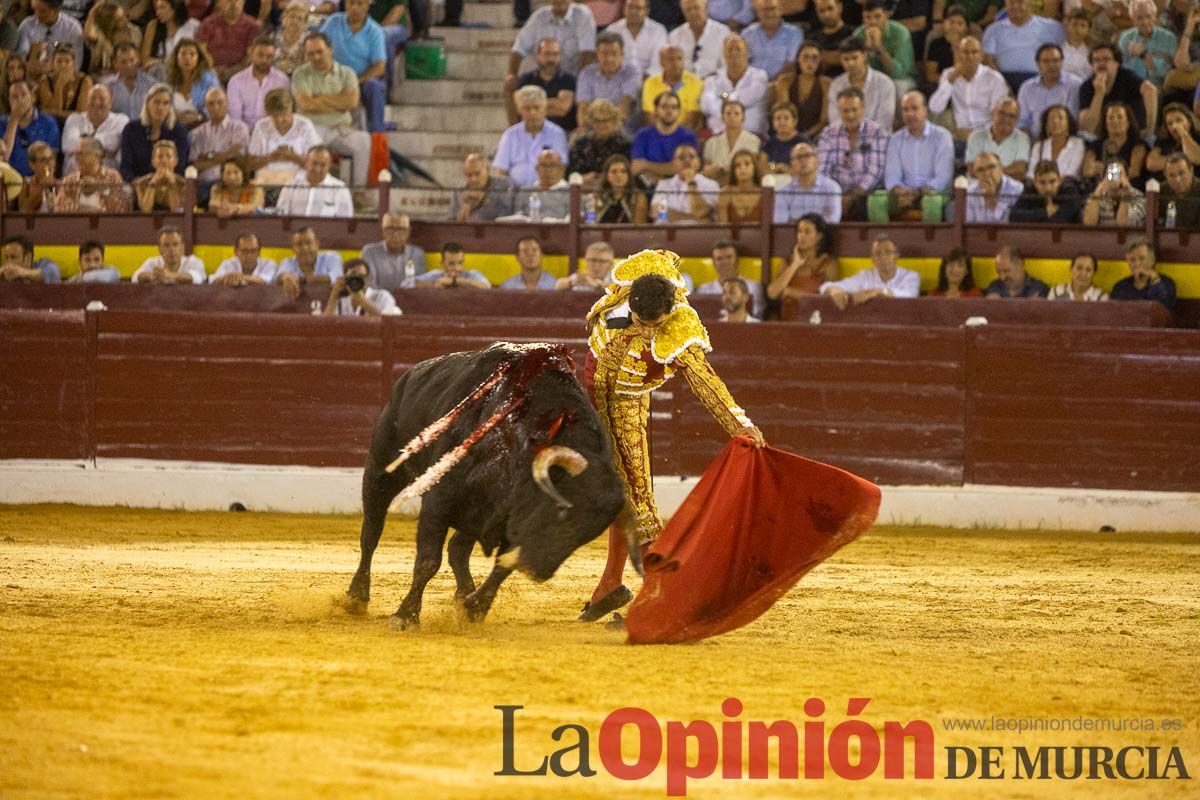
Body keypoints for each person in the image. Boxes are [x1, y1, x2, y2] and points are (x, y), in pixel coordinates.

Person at [578, 249, 765, 623]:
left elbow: (706, 383)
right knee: (620, 496)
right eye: (640, 321)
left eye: (654, 324)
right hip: (587, 395)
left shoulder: (680, 329)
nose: (647, 330)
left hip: (624, 406)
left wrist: (740, 425)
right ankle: (611, 585)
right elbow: (663, 256)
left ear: (668, 312)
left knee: (637, 501)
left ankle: (662, 599)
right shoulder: (638, 280)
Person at [291, 32, 372, 192]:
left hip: (339, 130)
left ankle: (358, 193)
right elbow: (306, 105)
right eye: (311, 54)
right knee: (299, 149)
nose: (316, 57)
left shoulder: (347, 73)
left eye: (320, 52)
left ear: (330, 49)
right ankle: (305, 190)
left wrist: (318, 98)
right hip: (311, 130)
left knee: (363, 141)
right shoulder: (300, 73)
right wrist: (338, 102)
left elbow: (351, 102)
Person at [878, 90, 954, 221]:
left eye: (914, 108)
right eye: (905, 110)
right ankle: (884, 241)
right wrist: (900, 191)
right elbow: (891, 177)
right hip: (903, 194)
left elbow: (943, 178)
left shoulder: (942, 136)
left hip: (933, 193)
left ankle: (930, 241)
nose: (909, 114)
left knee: (932, 203)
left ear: (925, 110)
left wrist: (917, 193)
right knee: (876, 201)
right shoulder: (895, 139)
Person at [818, 87, 888, 219]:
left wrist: (853, 196)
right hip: (836, 193)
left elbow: (876, 170)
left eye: (854, 110)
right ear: (839, 111)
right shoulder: (828, 133)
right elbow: (823, 170)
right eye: (845, 111)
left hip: (867, 192)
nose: (850, 115)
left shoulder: (877, 132)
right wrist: (835, 196)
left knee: (866, 204)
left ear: (862, 109)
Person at [320, 0, 390, 133]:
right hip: (332, 77)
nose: (355, 8)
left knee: (375, 87)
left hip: (360, 81)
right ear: (345, 4)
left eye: (360, 4)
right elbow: (318, 47)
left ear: (368, 5)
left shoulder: (375, 31)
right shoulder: (333, 22)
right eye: (351, 3)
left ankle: (377, 135)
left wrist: (354, 82)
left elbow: (379, 66)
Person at [928, 36, 1010, 144]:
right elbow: (935, 108)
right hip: (958, 134)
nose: (970, 56)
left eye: (974, 52)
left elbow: (998, 115)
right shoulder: (949, 74)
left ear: (981, 56)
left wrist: (975, 135)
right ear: (958, 54)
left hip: (987, 136)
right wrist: (951, 80)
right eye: (965, 52)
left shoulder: (994, 78)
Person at [493, 85, 569, 189]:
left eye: (536, 108)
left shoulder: (557, 134)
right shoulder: (510, 135)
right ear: (520, 110)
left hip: (547, 191)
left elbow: (561, 169)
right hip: (515, 194)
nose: (532, 112)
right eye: (527, 108)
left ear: (545, 109)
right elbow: (500, 171)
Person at [980, 0, 1064, 93]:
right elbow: (988, 60)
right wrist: (1003, 85)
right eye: (1011, 2)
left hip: (1041, 81)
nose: (1015, 6)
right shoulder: (993, 29)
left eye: (1020, 2)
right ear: (1005, 5)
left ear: (1030, 3)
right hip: (1004, 81)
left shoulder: (1052, 27)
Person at [1078, 44, 1157, 140]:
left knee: (1150, 139)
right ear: (1092, 65)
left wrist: (1149, 129)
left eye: (1106, 59)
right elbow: (1086, 128)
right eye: (1096, 60)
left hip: (1135, 134)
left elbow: (1151, 90)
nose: (1101, 63)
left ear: (1116, 63)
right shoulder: (1086, 86)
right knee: (1084, 137)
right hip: (1105, 138)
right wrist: (1099, 94)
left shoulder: (1127, 77)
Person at [245, 87, 319, 187]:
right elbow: (250, 164)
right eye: (275, 116)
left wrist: (292, 157)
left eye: (284, 115)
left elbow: (317, 165)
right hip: (267, 182)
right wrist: (271, 157)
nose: (279, 120)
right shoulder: (261, 125)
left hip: (298, 183)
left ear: (291, 109)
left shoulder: (304, 125)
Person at [820, 234, 918, 308]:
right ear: (872, 259)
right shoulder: (865, 276)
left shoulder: (910, 276)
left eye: (888, 252)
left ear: (896, 256)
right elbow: (825, 286)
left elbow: (910, 295)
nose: (883, 257)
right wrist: (834, 291)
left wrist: (878, 292)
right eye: (878, 253)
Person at [508, 0, 596, 83]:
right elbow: (519, 48)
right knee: (512, 82)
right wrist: (511, 75)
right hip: (542, 77)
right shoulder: (539, 16)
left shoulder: (583, 15)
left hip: (572, 78)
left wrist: (581, 83)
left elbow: (587, 52)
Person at [699, 34, 769, 136]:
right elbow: (705, 105)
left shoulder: (759, 76)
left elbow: (748, 98)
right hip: (717, 135)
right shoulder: (713, 79)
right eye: (730, 49)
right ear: (724, 54)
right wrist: (728, 100)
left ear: (747, 53)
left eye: (738, 49)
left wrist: (723, 98)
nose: (734, 53)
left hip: (752, 135)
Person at [118, 82, 188, 181]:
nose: (160, 107)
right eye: (156, 102)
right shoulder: (131, 129)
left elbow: (180, 167)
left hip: (169, 183)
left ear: (170, 107)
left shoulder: (179, 131)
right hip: (138, 184)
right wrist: (138, 183)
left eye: (165, 103)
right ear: (147, 104)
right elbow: (125, 167)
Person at [631, 89, 701, 184]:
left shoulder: (688, 137)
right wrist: (667, 172)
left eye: (674, 107)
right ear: (656, 110)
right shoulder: (642, 135)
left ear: (679, 111)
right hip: (648, 186)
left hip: (680, 187)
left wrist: (646, 164)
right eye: (665, 107)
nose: (669, 111)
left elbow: (685, 167)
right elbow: (636, 167)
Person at [826, 37, 895, 132]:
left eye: (854, 58)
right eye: (846, 59)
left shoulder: (885, 83)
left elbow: (884, 121)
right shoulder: (836, 85)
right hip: (844, 140)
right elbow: (834, 120)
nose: (850, 63)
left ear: (864, 56)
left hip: (877, 140)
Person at [575, 31, 642, 129]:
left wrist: (604, 129)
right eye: (604, 54)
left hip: (622, 129)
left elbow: (624, 108)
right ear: (597, 54)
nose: (609, 59)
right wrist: (587, 131)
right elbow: (583, 108)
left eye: (614, 54)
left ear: (622, 54)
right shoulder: (586, 73)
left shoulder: (632, 72)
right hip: (593, 128)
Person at [511, 37, 578, 133]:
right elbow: (519, 107)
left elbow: (563, 108)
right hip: (531, 132)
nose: (551, 59)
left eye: (555, 54)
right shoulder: (526, 79)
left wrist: (532, 105)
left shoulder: (568, 79)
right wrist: (554, 103)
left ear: (560, 56)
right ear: (538, 55)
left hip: (563, 133)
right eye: (547, 54)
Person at [188, 86, 249, 190]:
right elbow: (195, 166)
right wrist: (226, 156)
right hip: (203, 184)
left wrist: (208, 156)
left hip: (231, 183)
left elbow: (238, 160)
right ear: (205, 107)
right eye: (211, 104)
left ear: (227, 103)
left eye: (220, 102)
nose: (216, 107)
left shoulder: (240, 128)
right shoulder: (197, 133)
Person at [1017, 44, 1082, 140]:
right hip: (1034, 142)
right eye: (1046, 61)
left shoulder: (1075, 84)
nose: (1051, 65)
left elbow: (1073, 121)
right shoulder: (1027, 88)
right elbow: (1022, 122)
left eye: (1055, 60)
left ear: (1062, 62)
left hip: (1066, 141)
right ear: (1038, 64)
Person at [768, 212, 838, 299]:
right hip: (787, 311)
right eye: (799, 231)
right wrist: (794, 265)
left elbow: (828, 300)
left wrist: (793, 293)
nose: (801, 236)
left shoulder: (828, 264)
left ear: (819, 236)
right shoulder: (788, 261)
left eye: (807, 232)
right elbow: (772, 294)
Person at [60, 84, 126, 174]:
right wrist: (104, 152)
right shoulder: (74, 119)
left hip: (107, 181)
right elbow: (68, 145)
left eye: (102, 99)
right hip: (73, 181)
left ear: (110, 103)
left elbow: (113, 143)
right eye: (92, 98)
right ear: (86, 103)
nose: (97, 102)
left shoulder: (121, 120)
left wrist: (80, 147)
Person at [773, 137, 843, 223]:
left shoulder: (832, 188)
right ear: (792, 164)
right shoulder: (783, 192)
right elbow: (781, 223)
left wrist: (795, 222)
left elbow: (832, 221)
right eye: (798, 157)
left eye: (807, 155)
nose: (803, 160)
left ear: (817, 160)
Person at [225, 35, 289, 128]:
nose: (264, 60)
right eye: (260, 55)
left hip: (271, 130)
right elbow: (235, 117)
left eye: (269, 56)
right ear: (250, 52)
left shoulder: (282, 80)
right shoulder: (236, 81)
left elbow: (283, 113)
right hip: (243, 132)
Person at [1, 78, 61, 176]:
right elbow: (3, 158)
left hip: (38, 180)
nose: (20, 100)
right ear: (9, 101)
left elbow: (51, 161)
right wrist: (14, 119)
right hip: (8, 180)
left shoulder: (48, 123)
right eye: (14, 97)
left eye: (24, 95)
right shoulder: (1, 123)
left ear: (32, 97)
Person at [275, 144, 354, 218]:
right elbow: (281, 218)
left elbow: (345, 223)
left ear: (329, 166)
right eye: (314, 163)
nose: (317, 169)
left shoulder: (340, 189)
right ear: (306, 163)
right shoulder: (291, 186)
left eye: (323, 165)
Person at [853, 0, 916, 94]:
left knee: (898, 86)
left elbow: (900, 73)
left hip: (900, 79)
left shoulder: (900, 33)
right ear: (863, 19)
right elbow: (858, 71)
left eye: (877, 16)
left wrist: (880, 49)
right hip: (872, 79)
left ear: (886, 15)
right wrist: (868, 49)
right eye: (868, 17)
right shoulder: (859, 34)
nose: (873, 22)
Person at [567, 99, 631, 189]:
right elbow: (571, 175)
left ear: (614, 121)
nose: (601, 124)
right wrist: (584, 179)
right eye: (597, 120)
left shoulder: (625, 144)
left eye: (605, 120)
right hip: (583, 189)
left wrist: (602, 179)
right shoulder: (580, 143)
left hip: (614, 189)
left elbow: (627, 174)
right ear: (591, 121)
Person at [56, 135, 130, 212]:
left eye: (81, 154)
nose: (77, 158)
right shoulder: (70, 180)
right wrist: (76, 202)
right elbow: (59, 210)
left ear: (97, 156)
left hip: (104, 222)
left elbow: (121, 209)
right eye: (76, 154)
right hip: (76, 222)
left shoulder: (112, 176)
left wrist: (100, 189)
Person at [649, 142, 719, 223]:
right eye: (681, 158)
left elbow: (702, 212)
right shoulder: (664, 185)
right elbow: (658, 212)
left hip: (697, 233)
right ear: (674, 163)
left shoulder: (711, 184)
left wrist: (691, 183)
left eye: (691, 157)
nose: (687, 160)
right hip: (667, 232)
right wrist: (694, 218)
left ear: (699, 162)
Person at [965, 97, 1031, 181]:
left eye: (1011, 116)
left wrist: (984, 172)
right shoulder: (975, 137)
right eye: (1002, 113)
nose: (1006, 119)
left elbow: (1020, 170)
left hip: (1009, 192)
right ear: (992, 113)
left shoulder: (1022, 138)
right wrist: (1000, 173)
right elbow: (972, 170)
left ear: (1017, 120)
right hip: (978, 191)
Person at [640, 45, 704, 131]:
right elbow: (650, 116)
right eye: (671, 59)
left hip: (685, 134)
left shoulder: (695, 82)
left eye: (679, 59)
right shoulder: (650, 83)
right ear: (661, 62)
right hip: (658, 134)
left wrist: (674, 137)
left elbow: (692, 119)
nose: (676, 63)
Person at [771, 43, 828, 138]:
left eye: (815, 58)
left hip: (816, 135)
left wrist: (805, 136)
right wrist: (794, 136)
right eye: (805, 57)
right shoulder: (785, 81)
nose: (810, 62)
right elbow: (784, 114)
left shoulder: (826, 84)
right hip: (787, 132)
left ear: (820, 61)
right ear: (798, 59)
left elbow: (824, 121)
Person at [1117, 0, 1177, 89]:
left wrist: (1144, 55)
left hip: (1159, 86)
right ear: (1133, 20)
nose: (1144, 22)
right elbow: (1124, 69)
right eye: (1139, 18)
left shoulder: (1169, 38)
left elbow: (1164, 72)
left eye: (1148, 16)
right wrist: (1153, 60)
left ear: (1155, 17)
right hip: (1131, 86)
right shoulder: (1125, 37)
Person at [195, 0, 260, 83]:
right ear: (219, 3)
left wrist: (233, 72)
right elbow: (200, 50)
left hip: (241, 75)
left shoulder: (252, 26)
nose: (234, 4)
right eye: (229, 0)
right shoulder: (208, 23)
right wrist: (212, 70)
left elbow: (251, 55)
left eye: (237, 0)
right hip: (210, 74)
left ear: (243, 2)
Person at [360, 212, 427, 291]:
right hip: (379, 301)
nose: (395, 234)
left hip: (409, 301)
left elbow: (417, 285)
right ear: (383, 231)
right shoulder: (369, 252)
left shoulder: (417, 253)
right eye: (390, 229)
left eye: (401, 229)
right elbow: (371, 286)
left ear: (408, 232)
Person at [697, 239, 765, 316]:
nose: (725, 262)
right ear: (714, 263)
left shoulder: (753, 287)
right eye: (719, 259)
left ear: (737, 260)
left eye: (729, 257)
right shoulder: (704, 290)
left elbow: (756, 314)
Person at [668, 0, 732, 79]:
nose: (693, 13)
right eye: (688, 10)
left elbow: (727, 66)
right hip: (684, 85)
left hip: (715, 84)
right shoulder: (675, 36)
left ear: (706, 8)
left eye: (696, 8)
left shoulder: (723, 32)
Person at [742, 0, 804, 81]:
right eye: (765, 9)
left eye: (773, 8)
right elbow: (743, 63)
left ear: (781, 10)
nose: (769, 13)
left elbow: (791, 66)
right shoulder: (747, 34)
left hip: (781, 84)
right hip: (751, 83)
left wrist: (772, 84)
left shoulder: (795, 33)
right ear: (757, 12)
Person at [164, 38, 219, 129]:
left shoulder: (209, 78)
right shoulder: (168, 78)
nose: (187, 58)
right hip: (174, 127)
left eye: (192, 54)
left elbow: (217, 107)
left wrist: (199, 117)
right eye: (183, 54)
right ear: (176, 57)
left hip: (203, 127)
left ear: (198, 58)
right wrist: (173, 116)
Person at [275, 226, 343, 299]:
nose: (305, 248)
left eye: (308, 243)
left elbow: (338, 278)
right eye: (299, 244)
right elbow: (280, 276)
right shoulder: (287, 262)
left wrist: (302, 280)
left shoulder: (332, 257)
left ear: (317, 244)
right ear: (293, 249)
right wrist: (287, 278)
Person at [702, 100, 760, 183]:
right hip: (716, 186)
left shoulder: (753, 140)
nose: (732, 117)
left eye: (736, 114)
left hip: (743, 186)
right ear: (722, 117)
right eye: (728, 113)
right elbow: (706, 170)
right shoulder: (711, 142)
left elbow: (752, 169)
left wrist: (726, 172)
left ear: (743, 118)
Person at [1110, 238, 1176, 311]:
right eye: (1132, 260)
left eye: (1142, 258)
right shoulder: (1120, 287)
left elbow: (1164, 309)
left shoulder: (1167, 283)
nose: (1137, 263)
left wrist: (1154, 278)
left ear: (1153, 260)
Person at [16, 0, 85, 70]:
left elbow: (76, 64)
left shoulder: (72, 28)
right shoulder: (26, 25)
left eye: (42, 11)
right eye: (34, 9)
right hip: (32, 73)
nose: (37, 15)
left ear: (56, 9)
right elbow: (21, 58)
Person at [1010, 159, 1083, 224]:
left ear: (1060, 181)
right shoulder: (1030, 191)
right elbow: (1013, 216)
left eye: (1052, 182)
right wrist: (1044, 212)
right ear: (1035, 183)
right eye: (1042, 182)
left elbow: (1060, 221)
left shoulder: (1069, 192)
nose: (1048, 188)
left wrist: (1034, 217)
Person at [608, 0, 668, 77]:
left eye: (638, 8)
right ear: (624, 9)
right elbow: (610, 62)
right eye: (630, 7)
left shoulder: (658, 31)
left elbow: (657, 65)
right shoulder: (612, 30)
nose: (633, 11)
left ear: (646, 11)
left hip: (650, 81)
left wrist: (641, 82)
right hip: (619, 81)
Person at [450, 152, 515, 222]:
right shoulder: (459, 191)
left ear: (487, 170)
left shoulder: (503, 184)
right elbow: (450, 219)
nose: (473, 179)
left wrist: (484, 200)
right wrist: (460, 217)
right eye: (468, 175)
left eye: (477, 173)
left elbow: (507, 213)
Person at [324, 258, 401, 316]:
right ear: (345, 278)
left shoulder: (382, 296)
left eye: (360, 277)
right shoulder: (340, 298)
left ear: (368, 279)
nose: (356, 281)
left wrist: (362, 301)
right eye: (352, 277)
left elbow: (388, 323)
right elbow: (325, 327)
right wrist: (333, 296)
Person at [36, 43, 90, 127]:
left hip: (77, 126)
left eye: (67, 61)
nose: (63, 65)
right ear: (52, 64)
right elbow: (52, 117)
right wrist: (59, 86)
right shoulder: (45, 81)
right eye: (59, 61)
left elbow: (82, 115)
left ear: (73, 64)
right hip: (52, 126)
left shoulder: (85, 81)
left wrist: (52, 112)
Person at [140, 0, 200, 75]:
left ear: (175, 7)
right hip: (160, 72)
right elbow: (145, 60)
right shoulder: (153, 26)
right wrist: (164, 62)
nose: (157, 13)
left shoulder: (193, 26)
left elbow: (200, 56)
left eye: (162, 8)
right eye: (156, 9)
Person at [131, 225, 206, 284]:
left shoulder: (193, 261)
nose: (171, 249)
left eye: (175, 244)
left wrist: (169, 275)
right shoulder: (152, 262)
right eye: (166, 245)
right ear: (160, 249)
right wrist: (151, 276)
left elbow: (198, 278)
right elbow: (135, 277)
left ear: (182, 247)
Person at [1027, 104, 1085, 179]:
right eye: (1051, 118)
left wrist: (1052, 185)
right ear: (1046, 125)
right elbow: (1031, 174)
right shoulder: (1038, 146)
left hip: (1066, 187)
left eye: (1060, 118)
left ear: (1068, 123)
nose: (1055, 121)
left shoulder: (1077, 143)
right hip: (1040, 187)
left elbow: (1071, 173)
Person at [1082, 159, 1145, 227]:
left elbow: (1123, 226)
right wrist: (1098, 193)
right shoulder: (1096, 196)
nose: (1114, 178)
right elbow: (1089, 224)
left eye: (1118, 174)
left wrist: (1125, 195)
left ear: (1127, 177)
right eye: (1111, 174)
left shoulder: (1138, 197)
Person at [964, 151, 1023, 222]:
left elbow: (1013, 225)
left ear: (1001, 169)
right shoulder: (970, 192)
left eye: (991, 167)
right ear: (976, 175)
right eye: (980, 170)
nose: (987, 173)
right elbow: (969, 226)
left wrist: (992, 203)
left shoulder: (1017, 189)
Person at [1145, 104, 1200, 177]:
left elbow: (1196, 158)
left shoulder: (1197, 137)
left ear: (1189, 121)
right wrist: (1179, 162)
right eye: (1170, 123)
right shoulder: (1163, 140)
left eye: (1179, 120)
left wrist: (1183, 134)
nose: (1174, 126)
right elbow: (1151, 163)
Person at [107, 42, 157, 120]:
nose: (129, 65)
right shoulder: (108, 87)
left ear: (138, 59)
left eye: (132, 60)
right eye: (123, 62)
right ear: (115, 63)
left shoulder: (151, 84)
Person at [411, 242, 492, 289]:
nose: (457, 268)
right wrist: (433, 284)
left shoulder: (473, 274)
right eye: (451, 264)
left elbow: (487, 287)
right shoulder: (436, 275)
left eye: (460, 263)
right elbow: (406, 284)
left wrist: (454, 281)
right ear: (443, 264)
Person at [593, 152, 648, 223]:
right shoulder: (598, 196)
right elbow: (592, 225)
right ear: (607, 175)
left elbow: (639, 229)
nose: (619, 175)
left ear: (629, 175)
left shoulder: (638, 197)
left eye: (623, 171)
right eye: (614, 172)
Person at [210, 231, 278, 286]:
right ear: (236, 251)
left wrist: (238, 278)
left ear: (259, 252)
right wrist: (225, 278)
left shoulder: (269, 264)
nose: (249, 255)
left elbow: (263, 281)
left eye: (253, 251)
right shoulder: (228, 263)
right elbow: (213, 280)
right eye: (244, 251)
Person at [983, 245, 1048, 298]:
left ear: (1021, 265)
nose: (1002, 277)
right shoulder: (994, 287)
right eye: (998, 272)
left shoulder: (1038, 288)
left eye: (1006, 271)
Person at [762, 100, 807, 175]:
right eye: (778, 118)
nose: (782, 122)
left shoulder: (803, 141)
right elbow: (765, 164)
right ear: (772, 122)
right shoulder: (770, 142)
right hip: (774, 180)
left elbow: (806, 165)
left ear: (795, 121)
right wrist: (775, 167)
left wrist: (788, 169)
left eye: (786, 118)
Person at [1158, 153, 1200, 229]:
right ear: (1165, 175)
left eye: (1181, 173)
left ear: (1191, 171)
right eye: (1171, 175)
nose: (1177, 180)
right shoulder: (1160, 191)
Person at [16, 140, 57, 213]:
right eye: (43, 160)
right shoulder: (26, 184)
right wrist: (41, 188)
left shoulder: (62, 184)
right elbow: (23, 211)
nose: (49, 163)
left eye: (50, 158)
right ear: (32, 165)